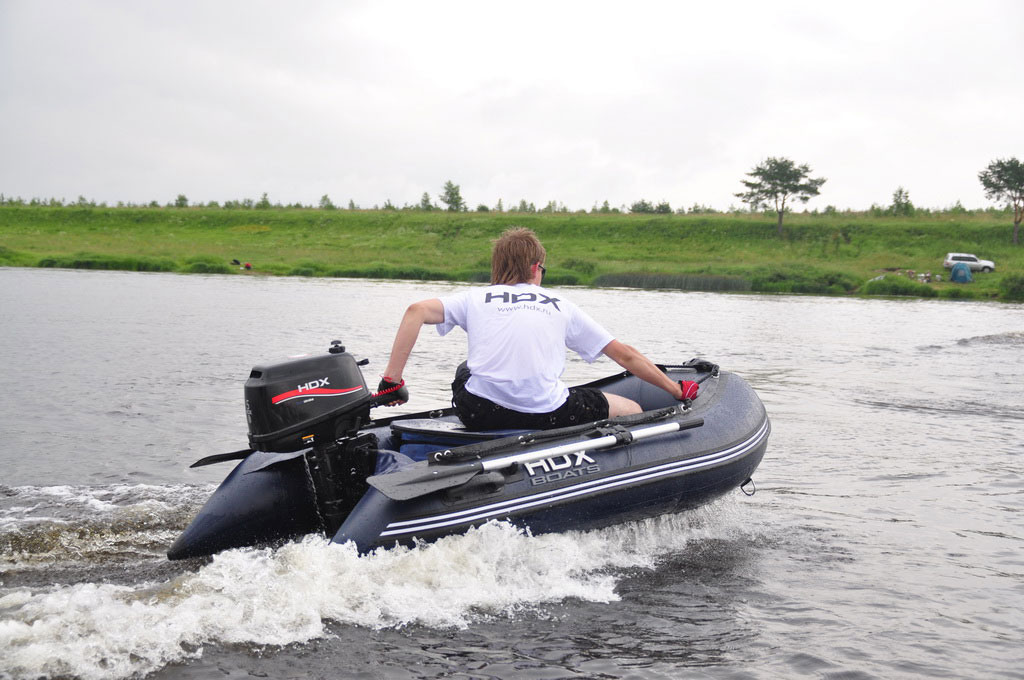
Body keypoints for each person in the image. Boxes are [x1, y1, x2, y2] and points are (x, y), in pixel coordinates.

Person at [377, 227, 695, 429]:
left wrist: (391, 381)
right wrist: (675, 390)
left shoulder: (474, 298)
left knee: (466, 369)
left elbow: (415, 312)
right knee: (632, 408)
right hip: (548, 413)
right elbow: (625, 356)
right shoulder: (560, 304)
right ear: (534, 268)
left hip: (480, 412)